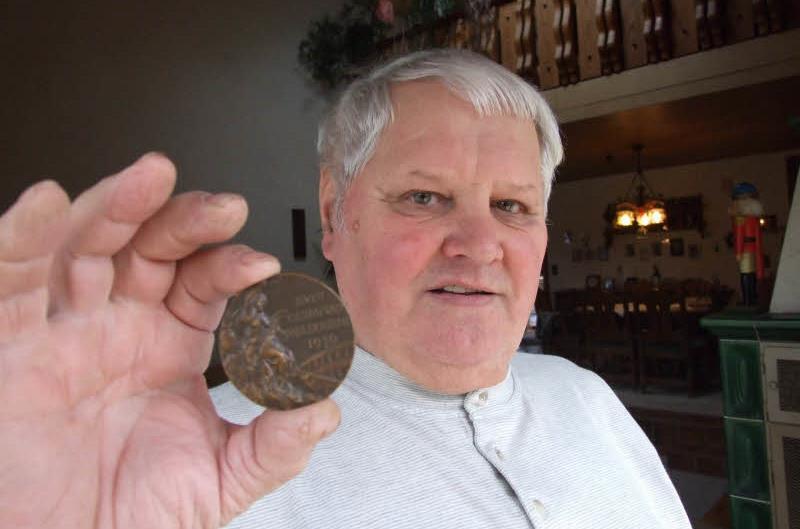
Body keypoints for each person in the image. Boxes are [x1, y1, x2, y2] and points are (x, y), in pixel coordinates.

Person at [0, 49, 690, 528]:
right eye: (425, 196)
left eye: (512, 206)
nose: (479, 245)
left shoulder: (587, 396)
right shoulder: (197, 457)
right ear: (334, 214)